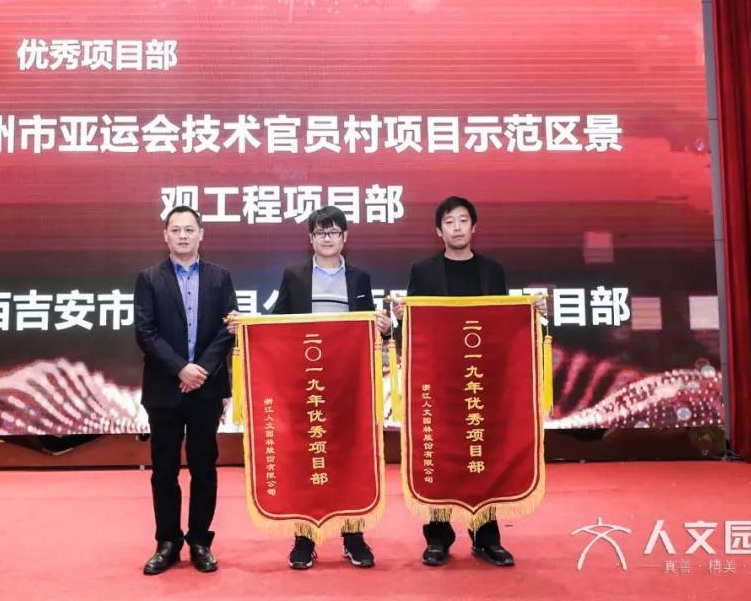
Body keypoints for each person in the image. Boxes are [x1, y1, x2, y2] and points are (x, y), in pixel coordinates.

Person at [231, 206, 391, 570]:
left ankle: (353, 536)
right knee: (306, 457)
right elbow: (276, 323)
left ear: (345, 237)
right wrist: (247, 326)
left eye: (334, 232)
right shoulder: (294, 275)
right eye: (320, 232)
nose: (327, 238)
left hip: (349, 385)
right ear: (310, 238)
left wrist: (384, 327)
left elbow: (369, 328)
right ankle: (304, 538)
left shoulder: (360, 277)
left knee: (351, 458)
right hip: (306, 383)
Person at [392, 195, 545, 569]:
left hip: (483, 379)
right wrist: (401, 317)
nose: (457, 227)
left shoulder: (493, 271)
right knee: (440, 455)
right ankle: (438, 538)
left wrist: (534, 314)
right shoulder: (423, 271)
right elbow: (415, 330)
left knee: (483, 454)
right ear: (438, 231)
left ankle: (486, 537)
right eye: (449, 222)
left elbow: (504, 326)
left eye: (463, 220)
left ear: (474, 227)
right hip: (440, 380)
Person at [134, 205, 238, 576]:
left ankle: (199, 541)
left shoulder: (220, 277)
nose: (182, 236)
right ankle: (167, 542)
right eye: (175, 230)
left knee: (203, 467)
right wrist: (180, 367)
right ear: (165, 236)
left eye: (189, 229)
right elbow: (145, 332)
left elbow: (229, 328)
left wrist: (200, 370)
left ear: (201, 234)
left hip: (206, 389)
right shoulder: (149, 278)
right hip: (164, 389)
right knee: (164, 469)